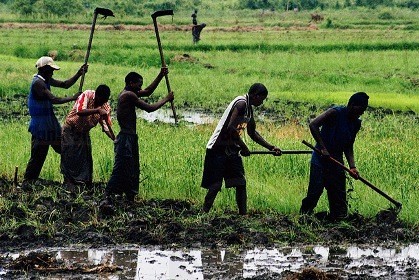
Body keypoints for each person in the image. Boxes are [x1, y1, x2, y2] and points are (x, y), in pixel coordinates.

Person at [201, 83, 281, 215]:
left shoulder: (249, 109)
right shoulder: (241, 104)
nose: (262, 102)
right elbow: (231, 128)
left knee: (240, 182)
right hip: (218, 147)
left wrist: (271, 147)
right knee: (215, 185)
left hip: (232, 148)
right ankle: (204, 213)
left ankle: (243, 215)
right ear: (255, 96)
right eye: (262, 99)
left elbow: (252, 133)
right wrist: (244, 147)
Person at [102, 68, 174, 205]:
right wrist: (166, 99)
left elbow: (147, 92)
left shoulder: (131, 93)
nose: (140, 88)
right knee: (121, 167)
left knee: (133, 168)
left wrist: (160, 75)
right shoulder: (128, 95)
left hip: (131, 137)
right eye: (138, 85)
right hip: (125, 138)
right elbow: (149, 108)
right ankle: (108, 194)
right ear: (130, 83)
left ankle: (130, 197)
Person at [300, 92, 369, 221]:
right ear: (352, 105)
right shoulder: (335, 113)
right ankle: (303, 218)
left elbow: (348, 145)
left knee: (339, 197)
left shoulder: (356, 123)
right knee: (314, 193)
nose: (361, 113)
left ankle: (337, 222)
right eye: (360, 109)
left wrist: (352, 166)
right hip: (320, 159)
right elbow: (313, 125)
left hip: (336, 161)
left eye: (364, 110)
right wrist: (323, 148)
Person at [22, 56, 88, 189]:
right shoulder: (38, 83)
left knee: (63, 149)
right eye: (51, 70)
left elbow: (65, 84)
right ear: (44, 69)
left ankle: (70, 178)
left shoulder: (46, 79)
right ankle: (28, 180)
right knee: (38, 154)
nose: (52, 73)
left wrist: (79, 73)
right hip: (40, 125)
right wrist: (73, 98)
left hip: (50, 123)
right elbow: (53, 99)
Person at [60, 85, 115, 190]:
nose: (102, 104)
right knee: (69, 156)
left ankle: (83, 183)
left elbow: (106, 126)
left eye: (104, 101)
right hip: (70, 130)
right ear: (97, 95)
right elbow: (80, 111)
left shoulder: (105, 106)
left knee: (85, 159)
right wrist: (97, 110)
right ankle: (68, 183)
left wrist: (114, 138)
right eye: (101, 100)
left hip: (84, 132)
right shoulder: (87, 94)